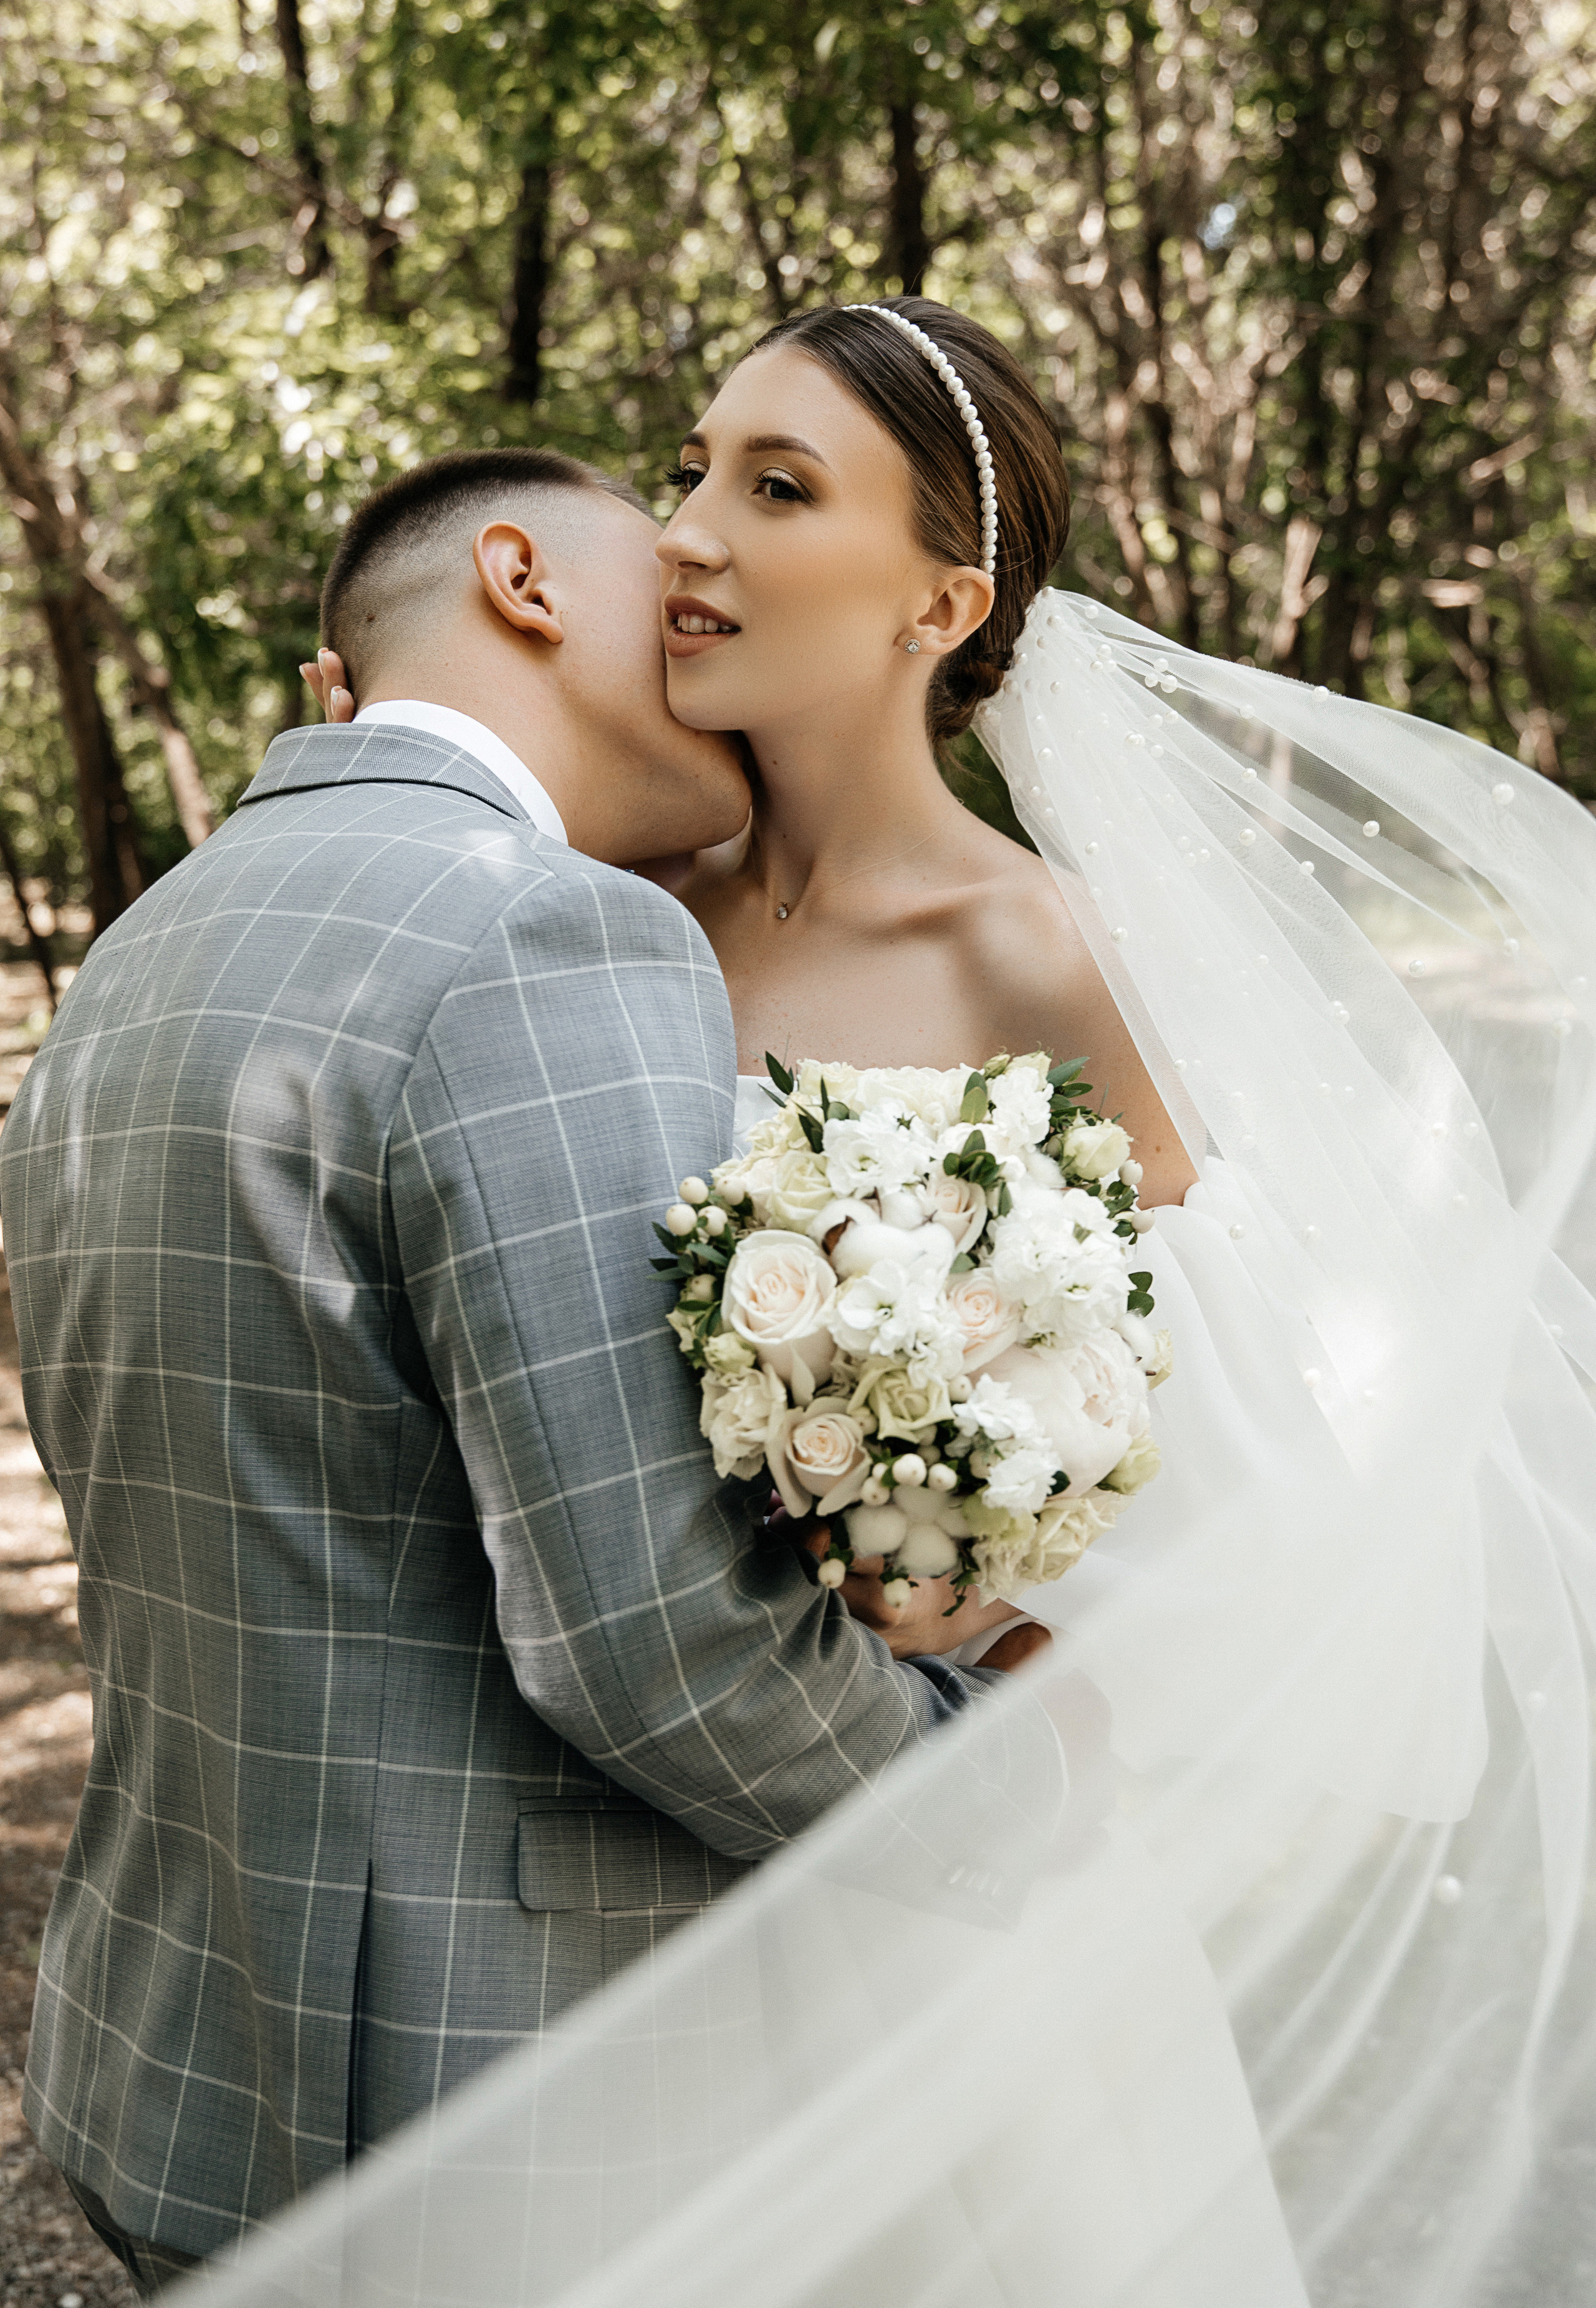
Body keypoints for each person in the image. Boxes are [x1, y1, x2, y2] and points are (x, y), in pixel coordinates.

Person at [276, 308, 1596, 2308]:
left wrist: (958, 1571)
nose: (690, 534)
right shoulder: (596, 919)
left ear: (941, 600)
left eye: (779, 489)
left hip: (938, 1843)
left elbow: (1197, 1425)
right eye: (698, 464)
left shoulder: (1035, 954)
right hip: (619, 1851)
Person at [0, 444, 1034, 2297]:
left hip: (185, 2062)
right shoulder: (539, 928)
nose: (711, 609)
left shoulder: (148, 951)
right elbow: (652, 1630)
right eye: (673, 568)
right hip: (487, 2117)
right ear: (524, 581)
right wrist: (978, 1783)